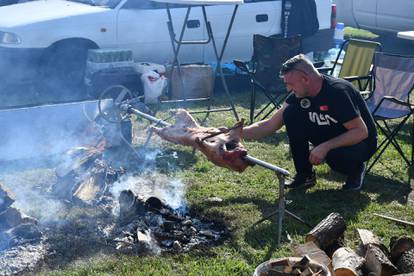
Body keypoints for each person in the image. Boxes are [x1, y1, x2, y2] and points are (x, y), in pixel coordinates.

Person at [243, 54, 377, 190]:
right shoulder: (300, 93)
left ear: (305, 79)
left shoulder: (338, 92)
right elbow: (271, 124)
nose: (288, 89)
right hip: (330, 133)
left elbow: (361, 132)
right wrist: (237, 132)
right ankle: (304, 175)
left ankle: (356, 170)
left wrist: (325, 147)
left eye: (290, 84)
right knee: (290, 113)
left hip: (361, 142)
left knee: (334, 156)